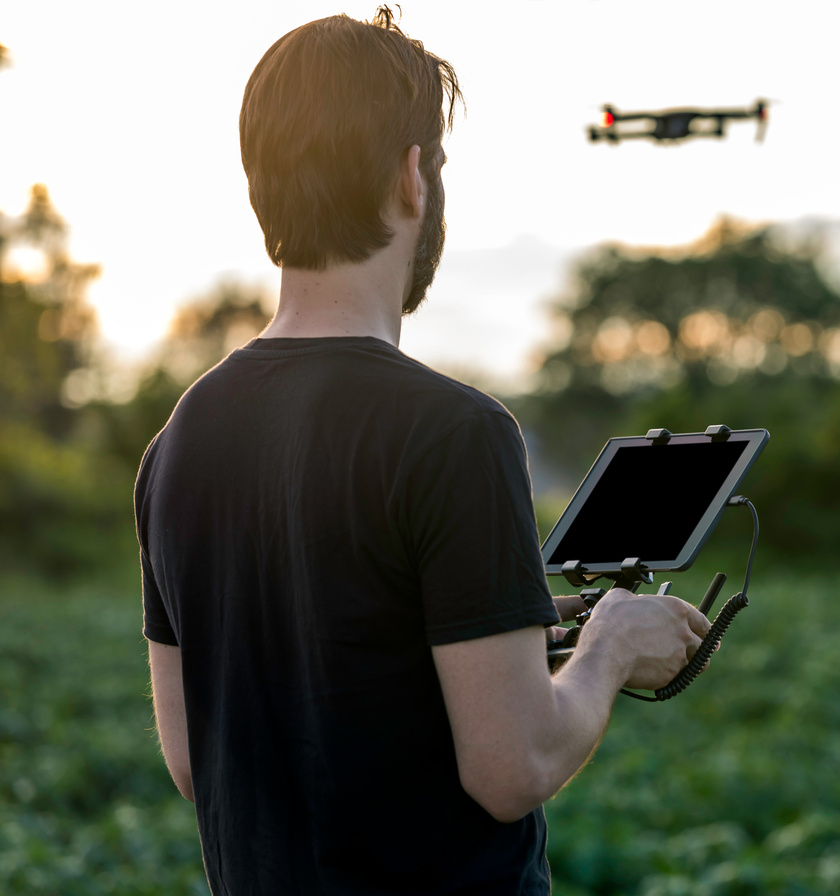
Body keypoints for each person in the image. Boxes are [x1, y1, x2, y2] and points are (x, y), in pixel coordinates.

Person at [135, 9, 709, 894]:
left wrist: (500, 629)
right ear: (413, 178)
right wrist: (611, 646)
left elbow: (192, 759)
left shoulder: (177, 443)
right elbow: (511, 767)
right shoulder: (456, 434)